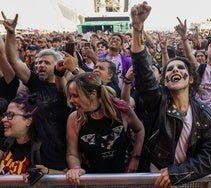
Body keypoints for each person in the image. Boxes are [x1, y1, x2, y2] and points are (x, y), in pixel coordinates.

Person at [130, 2, 211, 186]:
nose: (175, 70)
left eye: (181, 67)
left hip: (187, 182)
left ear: (190, 79)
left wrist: (177, 173)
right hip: (153, 181)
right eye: (170, 69)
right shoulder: (158, 103)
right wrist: (137, 28)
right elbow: (142, 72)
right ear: (164, 81)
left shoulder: (208, 117)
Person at [2, 12, 70, 172]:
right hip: (37, 147)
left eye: (46, 62)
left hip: (60, 148)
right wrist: (11, 33)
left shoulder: (67, 86)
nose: (40, 65)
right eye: (38, 62)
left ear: (58, 64)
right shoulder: (35, 82)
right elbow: (13, 60)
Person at [65, 72, 144, 185]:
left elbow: (140, 130)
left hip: (123, 179)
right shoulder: (75, 118)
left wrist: (135, 158)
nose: (71, 100)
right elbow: (72, 153)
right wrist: (76, 168)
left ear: (93, 94)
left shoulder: (121, 110)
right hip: (92, 182)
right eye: (70, 96)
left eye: (76, 95)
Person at [0, 94, 40, 175]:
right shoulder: (6, 142)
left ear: (28, 121)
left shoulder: (41, 148)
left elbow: (62, 173)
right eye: (5, 115)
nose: (3, 119)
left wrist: (46, 171)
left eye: (10, 115)